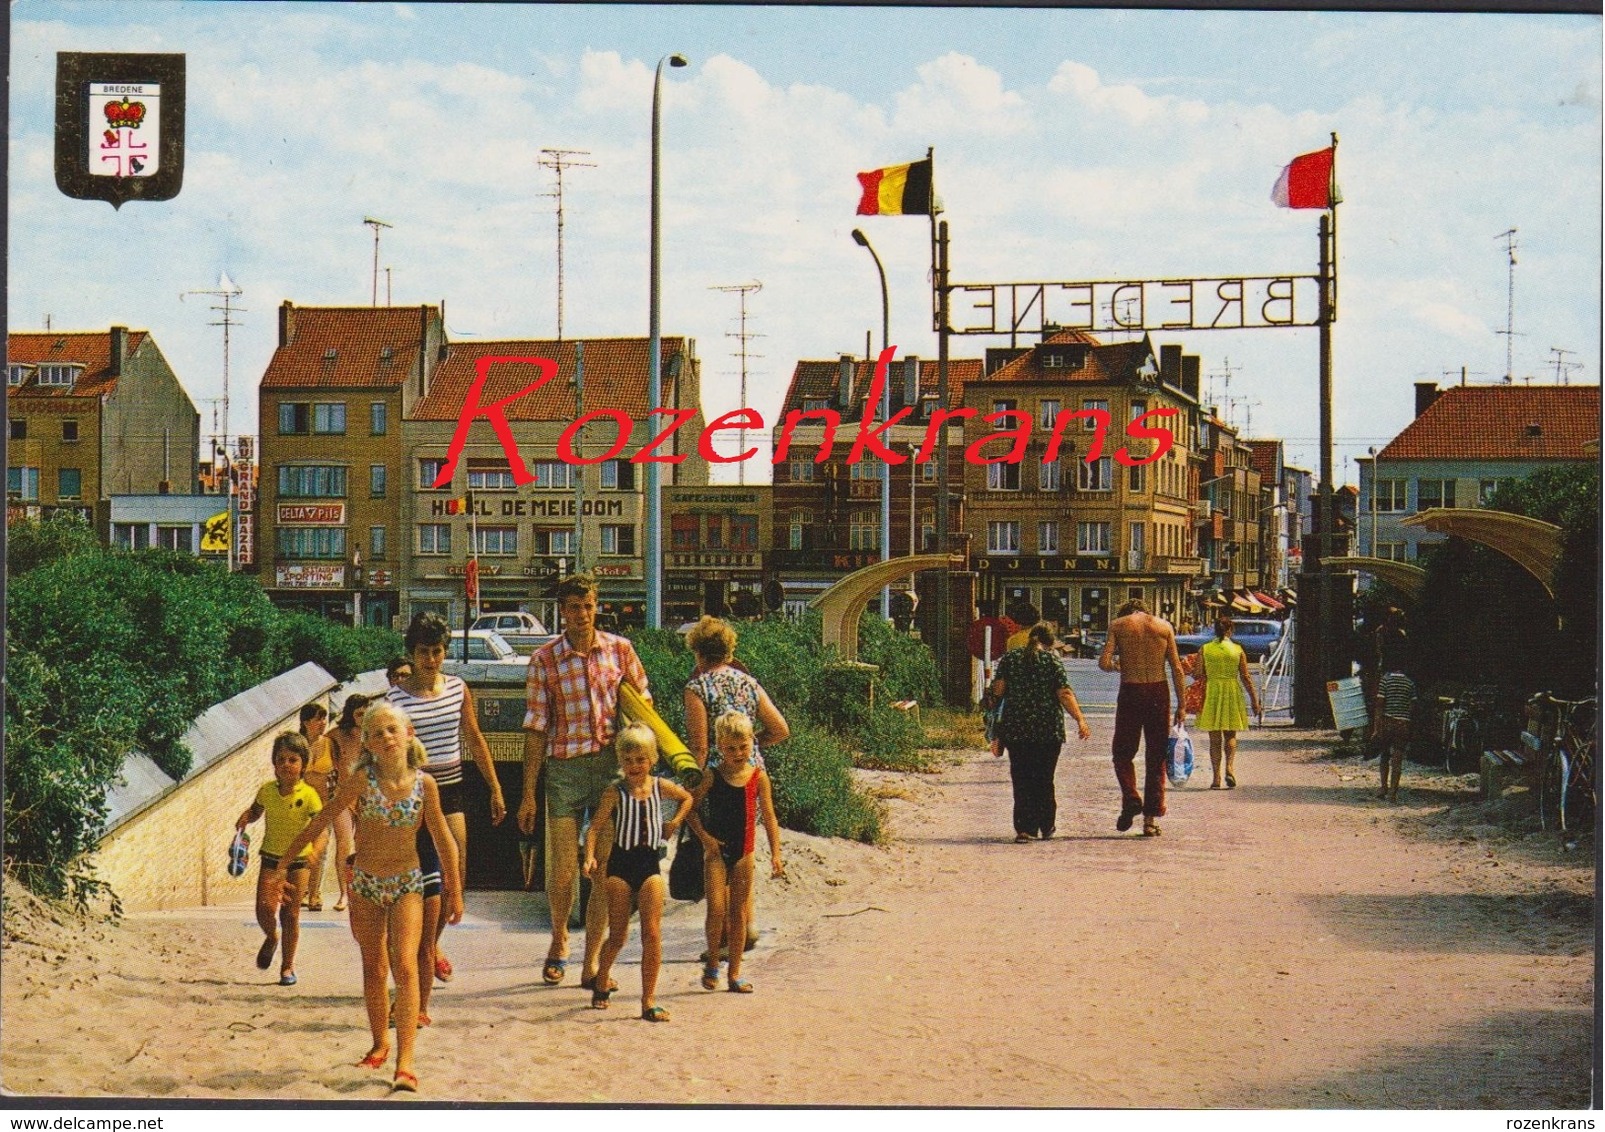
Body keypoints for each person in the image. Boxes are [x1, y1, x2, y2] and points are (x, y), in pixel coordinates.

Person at [274, 702, 461, 1093]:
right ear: (368, 743)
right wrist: (284, 863)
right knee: (374, 967)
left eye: (392, 730)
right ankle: (379, 1043)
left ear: (408, 734)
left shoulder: (424, 784)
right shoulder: (361, 780)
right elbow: (323, 818)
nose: (386, 738)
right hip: (365, 885)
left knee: (406, 966)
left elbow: (443, 839)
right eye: (377, 733)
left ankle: (405, 1063)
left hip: (408, 883)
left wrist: (454, 889)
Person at [518, 573, 651, 990]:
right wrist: (528, 794)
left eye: (588, 606)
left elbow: (642, 707)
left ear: (597, 606)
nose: (581, 614)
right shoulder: (545, 659)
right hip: (564, 770)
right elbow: (536, 727)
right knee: (562, 870)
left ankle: (591, 962)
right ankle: (559, 941)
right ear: (562, 611)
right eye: (574, 607)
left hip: (610, 768)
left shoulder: (620, 650)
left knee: (603, 869)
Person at [387, 612, 507, 985]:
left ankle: (431, 945)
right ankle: (420, 952)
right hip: (413, 796)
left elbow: (474, 737)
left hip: (452, 791)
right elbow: (387, 753)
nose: (432, 659)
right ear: (411, 652)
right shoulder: (394, 698)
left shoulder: (458, 688)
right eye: (424, 651)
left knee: (456, 876)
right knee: (416, 880)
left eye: (438, 651)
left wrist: (495, 787)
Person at [683, 615, 790, 957]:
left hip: (718, 777)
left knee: (718, 852)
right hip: (750, 773)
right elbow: (781, 729)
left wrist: (694, 784)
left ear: (698, 653)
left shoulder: (697, 688)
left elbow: (700, 745)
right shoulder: (749, 682)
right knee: (744, 847)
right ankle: (748, 924)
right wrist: (751, 744)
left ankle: (729, 936)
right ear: (729, 651)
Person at [583, 724, 693, 1022]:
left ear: (652, 759)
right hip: (620, 866)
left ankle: (648, 1000)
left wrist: (674, 824)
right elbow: (594, 828)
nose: (634, 766)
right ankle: (601, 979)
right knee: (618, 935)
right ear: (621, 760)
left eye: (640, 760)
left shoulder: (660, 786)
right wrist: (590, 856)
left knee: (652, 934)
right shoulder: (615, 792)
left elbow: (687, 798)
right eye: (628, 760)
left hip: (649, 864)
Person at [687, 712, 783, 995]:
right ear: (719, 747)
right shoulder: (712, 775)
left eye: (743, 747)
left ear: (752, 742)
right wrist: (705, 839)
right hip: (716, 852)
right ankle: (714, 962)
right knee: (716, 910)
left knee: (738, 914)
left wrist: (776, 853)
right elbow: (689, 808)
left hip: (745, 851)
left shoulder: (758, 777)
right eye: (730, 748)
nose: (738, 753)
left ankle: (735, 972)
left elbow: (769, 816)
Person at [988, 623, 1091, 842]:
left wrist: (995, 728)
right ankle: (1046, 825)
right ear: (1050, 642)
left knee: (1021, 777)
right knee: (1044, 778)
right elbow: (1064, 693)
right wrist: (1080, 719)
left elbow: (998, 691)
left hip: (1016, 727)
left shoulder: (1009, 659)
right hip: (1048, 729)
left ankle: (1024, 828)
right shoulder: (1052, 660)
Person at [234, 732, 322, 986]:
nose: (286, 765)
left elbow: (320, 827)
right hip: (271, 857)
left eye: (293, 759)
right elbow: (255, 811)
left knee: (291, 914)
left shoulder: (309, 795)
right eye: (281, 759)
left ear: (303, 764)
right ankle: (271, 936)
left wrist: (316, 848)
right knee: (263, 908)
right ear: (274, 763)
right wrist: (245, 818)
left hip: (299, 862)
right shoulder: (266, 791)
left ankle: (287, 966)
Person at [1100, 598, 1188, 837]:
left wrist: (1118, 666)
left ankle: (1131, 797)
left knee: (1122, 753)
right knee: (1156, 756)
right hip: (1158, 690)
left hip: (1131, 689)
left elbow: (1104, 662)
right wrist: (1182, 705)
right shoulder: (1164, 626)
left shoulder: (1118, 625)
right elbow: (1177, 668)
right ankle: (1150, 820)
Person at [1195, 617, 1262, 790]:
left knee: (1214, 738)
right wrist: (1254, 701)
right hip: (1232, 692)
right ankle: (1229, 768)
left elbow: (1197, 673)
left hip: (1212, 692)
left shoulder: (1205, 649)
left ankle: (1216, 777)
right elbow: (1246, 677)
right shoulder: (1238, 650)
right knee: (1230, 735)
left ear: (1215, 630)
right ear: (1230, 630)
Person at [326, 694, 372, 913]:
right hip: (343, 795)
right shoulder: (336, 735)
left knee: (364, 844)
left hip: (366, 796)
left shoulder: (372, 736)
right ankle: (344, 893)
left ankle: (360, 892)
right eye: (358, 714)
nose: (362, 718)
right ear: (350, 713)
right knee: (344, 844)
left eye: (366, 713)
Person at [298, 703, 334, 912]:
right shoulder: (298, 744)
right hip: (301, 805)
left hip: (324, 804)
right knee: (301, 848)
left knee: (320, 849)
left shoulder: (330, 744)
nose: (322, 723)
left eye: (324, 718)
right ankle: (301, 890)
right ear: (306, 722)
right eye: (318, 719)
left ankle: (314, 894)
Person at [1374, 656, 1416, 804]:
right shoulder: (1410, 683)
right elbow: (1412, 707)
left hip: (1387, 722)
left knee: (1384, 756)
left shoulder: (1385, 680)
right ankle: (1393, 793)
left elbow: (1380, 704)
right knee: (1397, 759)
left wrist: (1376, 727)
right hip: (1403, 724)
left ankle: (1383, 787)